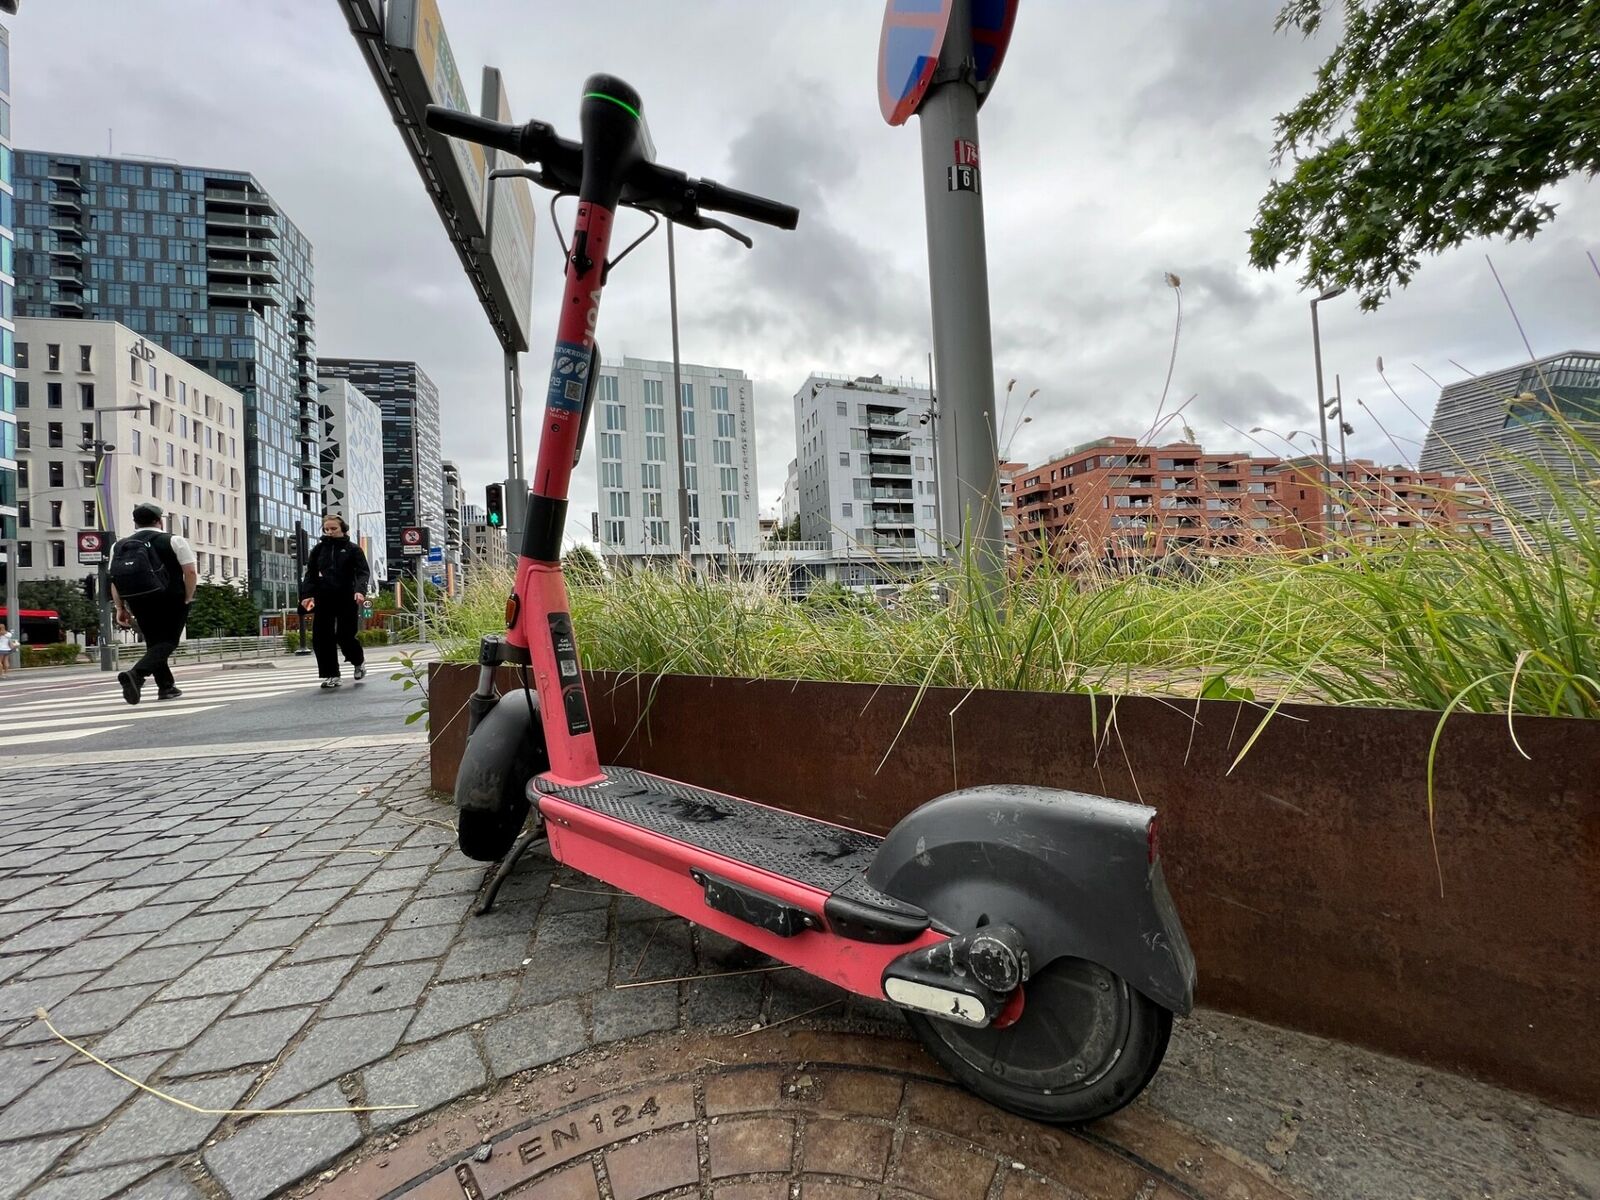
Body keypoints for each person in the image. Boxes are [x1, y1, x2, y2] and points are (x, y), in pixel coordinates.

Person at [109, 502, 197, 704]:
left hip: (138, 600)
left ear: (135, 522)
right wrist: (188, 595)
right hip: (170, 597)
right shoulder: (174, 540)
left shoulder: (119, 545)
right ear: (159, 520)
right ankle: (136, 674)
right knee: (168, 642)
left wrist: (120, 608)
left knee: (154, 643)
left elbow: (115, 579)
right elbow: (190, 572)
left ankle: (166, 687)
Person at [299, 513, 371, 690]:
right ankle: (332, 675)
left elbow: (363, 572)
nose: (329, 532)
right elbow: (311, 574)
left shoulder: (353, 549)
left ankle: (358, 661)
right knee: (321, 637)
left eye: (333, 528)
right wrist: (307, 595)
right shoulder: (318, 550)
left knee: (345, 636)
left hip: (347, 596)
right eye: (326, 529)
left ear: (343, 529)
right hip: (323, 597)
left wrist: (359, 591)